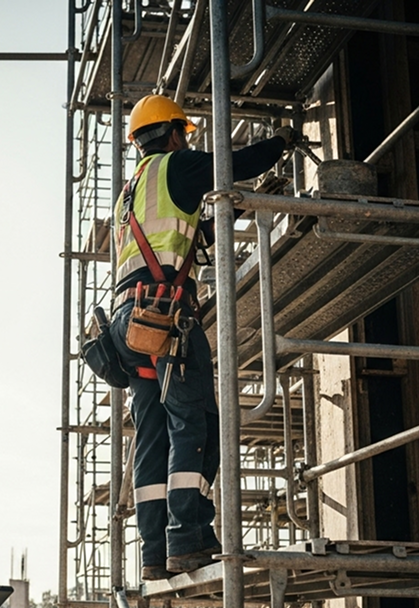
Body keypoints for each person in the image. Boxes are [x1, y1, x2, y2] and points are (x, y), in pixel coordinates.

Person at [108, 95, 295, 581]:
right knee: (194, 423)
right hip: (165, 315)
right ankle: (186, 538)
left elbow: (189, 234)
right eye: (185, 134)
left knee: (152, 436)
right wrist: (282, 142)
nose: (187, 141)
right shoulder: (177, 166)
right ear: (173, 133)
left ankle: (154, 552)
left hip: (129, 324)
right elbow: (234, 165)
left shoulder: (132, 190)